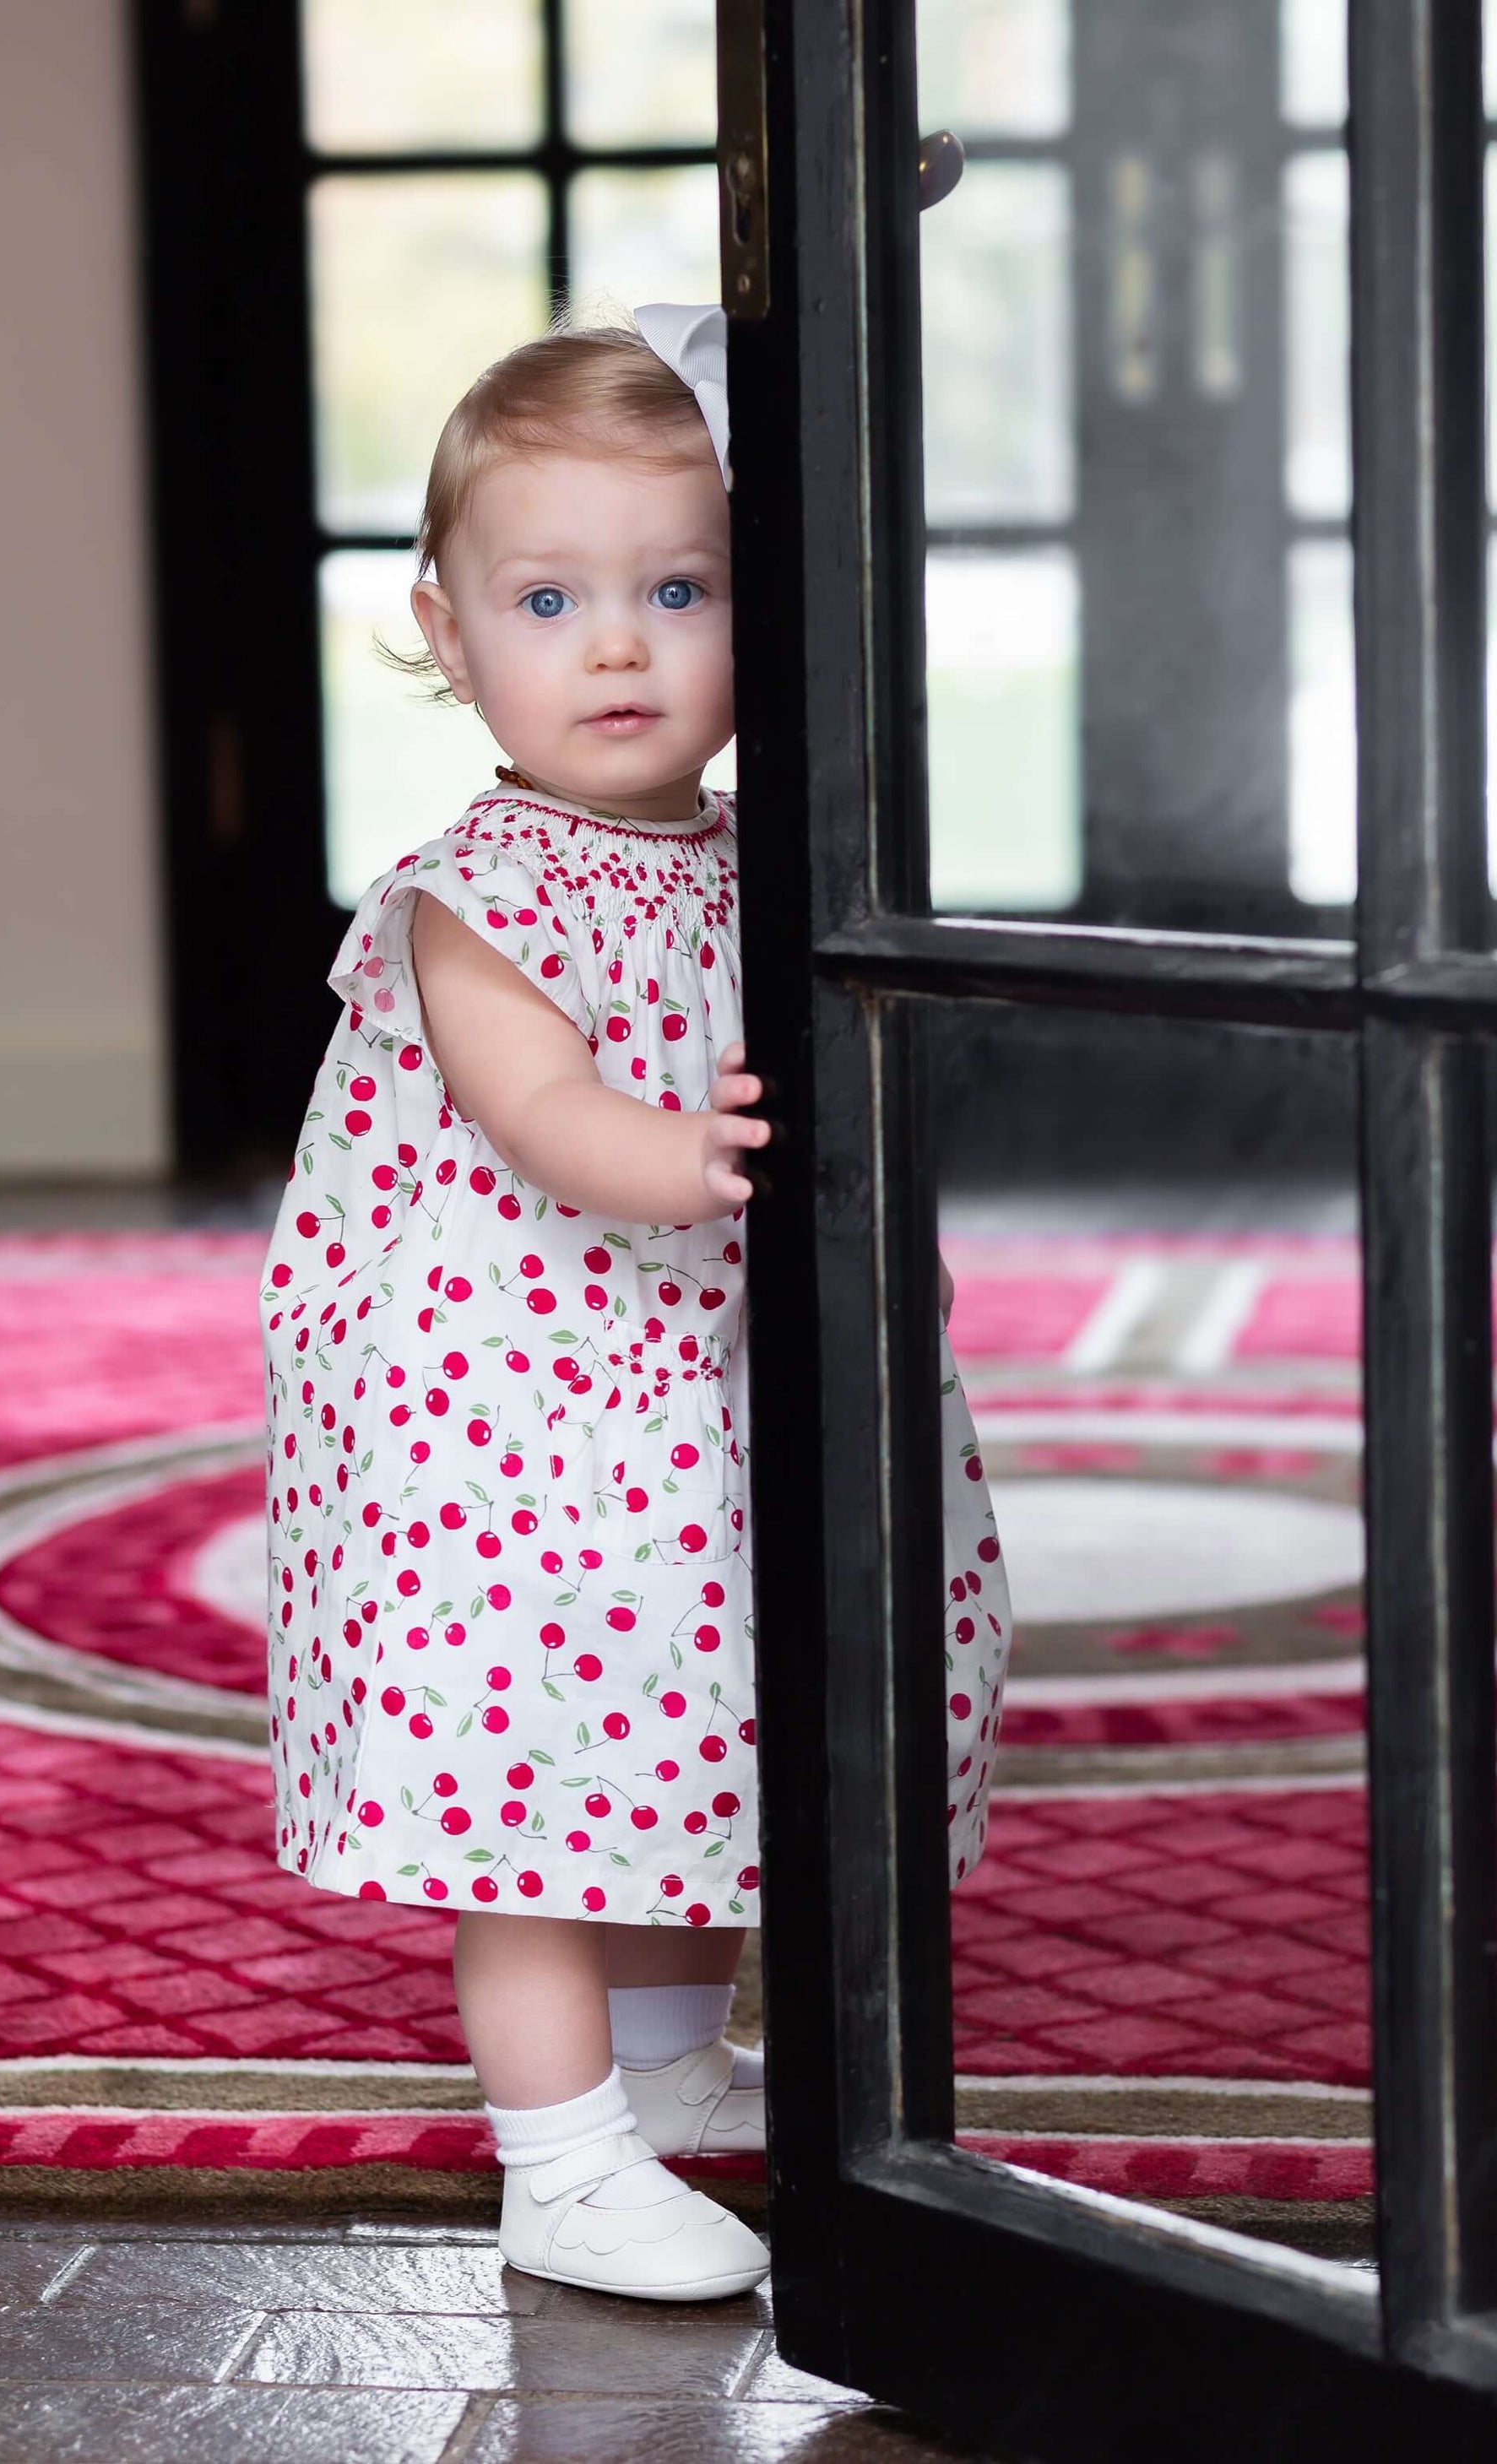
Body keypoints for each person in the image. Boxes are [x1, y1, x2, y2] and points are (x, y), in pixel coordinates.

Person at [259, 309, 1012, 2302]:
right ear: (443, 623)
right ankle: (561, 2157)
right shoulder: (467, 892)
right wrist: (682, 1158)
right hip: (502, 1416)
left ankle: (670, 2076)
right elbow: (544, 1106)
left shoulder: (753, 858)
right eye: (551, 596)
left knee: (687, 1721)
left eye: (678, 589)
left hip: (681, 1390)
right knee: (538, 1790)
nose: (618, 644)